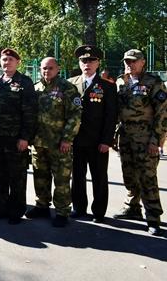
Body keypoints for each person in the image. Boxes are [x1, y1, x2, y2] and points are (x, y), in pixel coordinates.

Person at [113, 49, 166, 236]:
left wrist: (156, 141)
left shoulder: (153, 83)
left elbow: (162, 114)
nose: (130, 64)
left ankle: (153, 217)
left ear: (143, 62)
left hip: (145, 139)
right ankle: (132, 207)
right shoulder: (121, 81)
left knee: (147, 178)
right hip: (125, 137)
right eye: (127, 61)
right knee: (129, 175)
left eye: (134, 61)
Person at [29, 57, 81, 227]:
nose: (47, 71)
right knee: (40, 177)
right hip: (39, 143)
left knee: (61, 179)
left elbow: (75, 116)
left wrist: (67, 139)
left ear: (58, 68)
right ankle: (42, 205)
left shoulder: (67, 88)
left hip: (59, 144)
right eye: (44, 68)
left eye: (50, 68)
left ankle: (62, 211)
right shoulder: (36, 87)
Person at [68, 45, 118, 223]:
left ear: (98, 63)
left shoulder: (107, 87)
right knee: (77, 177)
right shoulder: (70, 84)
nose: (87, 63)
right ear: (79, 63)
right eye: (83, 60)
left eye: (91, 60)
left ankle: (98, 212)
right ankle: (79, 208)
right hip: (76, 140)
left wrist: (106, 140)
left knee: (99, 177)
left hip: (98, 142)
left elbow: (111, 116)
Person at [0, 49, 38, 224]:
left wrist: (25, 138)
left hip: (16, 139)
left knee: (17, 177)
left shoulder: (24, 82)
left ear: (18, 62)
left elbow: (30, 113)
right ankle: (0, 209)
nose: (6, 62)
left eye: (10, 59)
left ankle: (16, 211)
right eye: (4, 59)